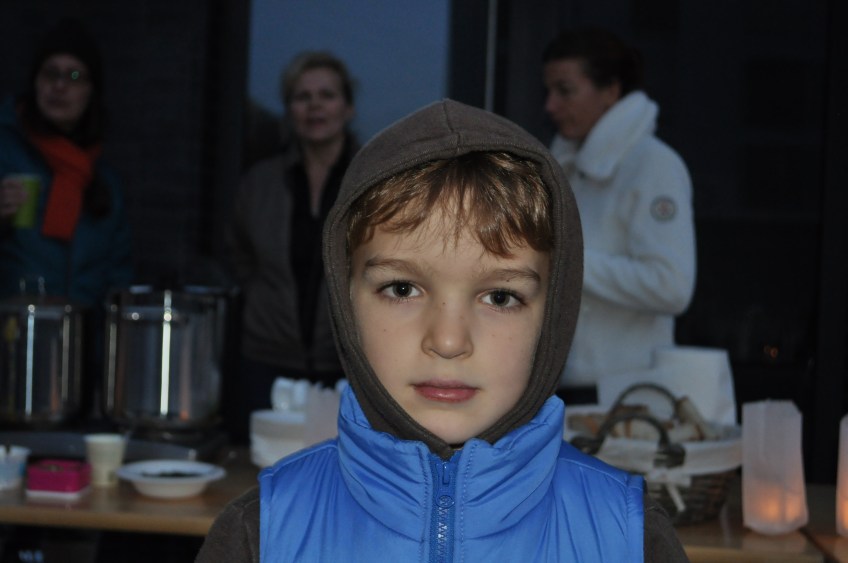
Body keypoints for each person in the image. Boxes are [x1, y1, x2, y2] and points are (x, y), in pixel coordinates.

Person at [196, 99, 689, 562]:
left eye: (500, 297)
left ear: (554, 315)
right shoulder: (261, 533)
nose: (449, 341)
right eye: (402, 289)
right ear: (346, 304)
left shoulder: (631, 537)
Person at [543, 27, 696, 403]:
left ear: (611, 91)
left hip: (626, 397)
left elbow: (672, 286)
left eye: (565, 90)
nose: (550, 105)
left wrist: (567, 260)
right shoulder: (570, 166)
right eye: (549, 91)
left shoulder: (653, 164)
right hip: (568, 388)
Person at [224, 51, 358, 442]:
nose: (315, 105)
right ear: (289, 110)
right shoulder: (259, 183)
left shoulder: (373, 181)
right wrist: (262, 303)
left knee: (341, 468)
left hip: (348, 364)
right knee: (263, 466)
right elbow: (239, 256)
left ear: (348, 108)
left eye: (327, 95)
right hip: (266, 360)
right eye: (302, 97)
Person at [0, 17, 133, 306]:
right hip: (14, 325)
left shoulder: (104, 182)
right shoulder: (6, 153)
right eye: (50, 73)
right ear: (35, 82)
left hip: (79, 330)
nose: (59, 86)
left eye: (74, 76)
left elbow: (118, 278)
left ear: (91, 91)